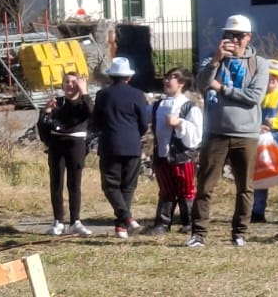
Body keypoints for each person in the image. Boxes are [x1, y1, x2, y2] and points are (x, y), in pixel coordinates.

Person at [189, 14, 270, 248]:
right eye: (228, 35)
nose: (233, 39)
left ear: (248, 37)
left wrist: (222, 88)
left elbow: (254, 97)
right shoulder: (211, 59)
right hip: (215, 132)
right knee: (205, 185)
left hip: (246, 134)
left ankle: (239, 233)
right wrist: (216, 60)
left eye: (238, 36)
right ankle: (198, 233)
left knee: (244, 187)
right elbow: (202, 84)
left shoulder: (259, 63)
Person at [90, 57, 150, 240]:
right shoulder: (138, 95)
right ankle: (122, 225)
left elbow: (96, 123)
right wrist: (135, 133)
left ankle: (125, 219)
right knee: (128, 186)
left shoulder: (102, 95)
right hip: (132, 144)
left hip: (110, 144)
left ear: (111, 77)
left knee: (110, 185)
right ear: (129, 77)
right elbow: (144, 123)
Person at [144, 68, 203, 236]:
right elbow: (143, 118)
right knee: (166, 190)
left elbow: (197, 135)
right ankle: (162, 223)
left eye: (172, 78)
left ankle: (189, 222)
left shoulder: (189, 107)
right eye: (166, 78)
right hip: (161, 155)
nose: (167, 81)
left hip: (182, 156)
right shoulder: (157, 106)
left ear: (181, 83)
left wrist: (179, 124)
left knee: (186, 190)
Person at [37, 71, 93, 236]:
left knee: (74, 184)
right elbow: (43, 128)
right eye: (67, 82)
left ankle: (75, 221)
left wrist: (85, 92)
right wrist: (46, 112)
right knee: (56, 183)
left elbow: (92, 114)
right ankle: (58, 221)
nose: (70, 85)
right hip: (57, 146)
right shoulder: (57, 103)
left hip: (76, 145)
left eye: (74, 82)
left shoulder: (84, 103)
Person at [250, 60, 278, 224]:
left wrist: (273, 124)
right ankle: (257, 211)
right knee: (261, 175)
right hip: (262, 141)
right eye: (268, 78)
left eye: (275, 78)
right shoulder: (259, 97)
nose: (271, 81)